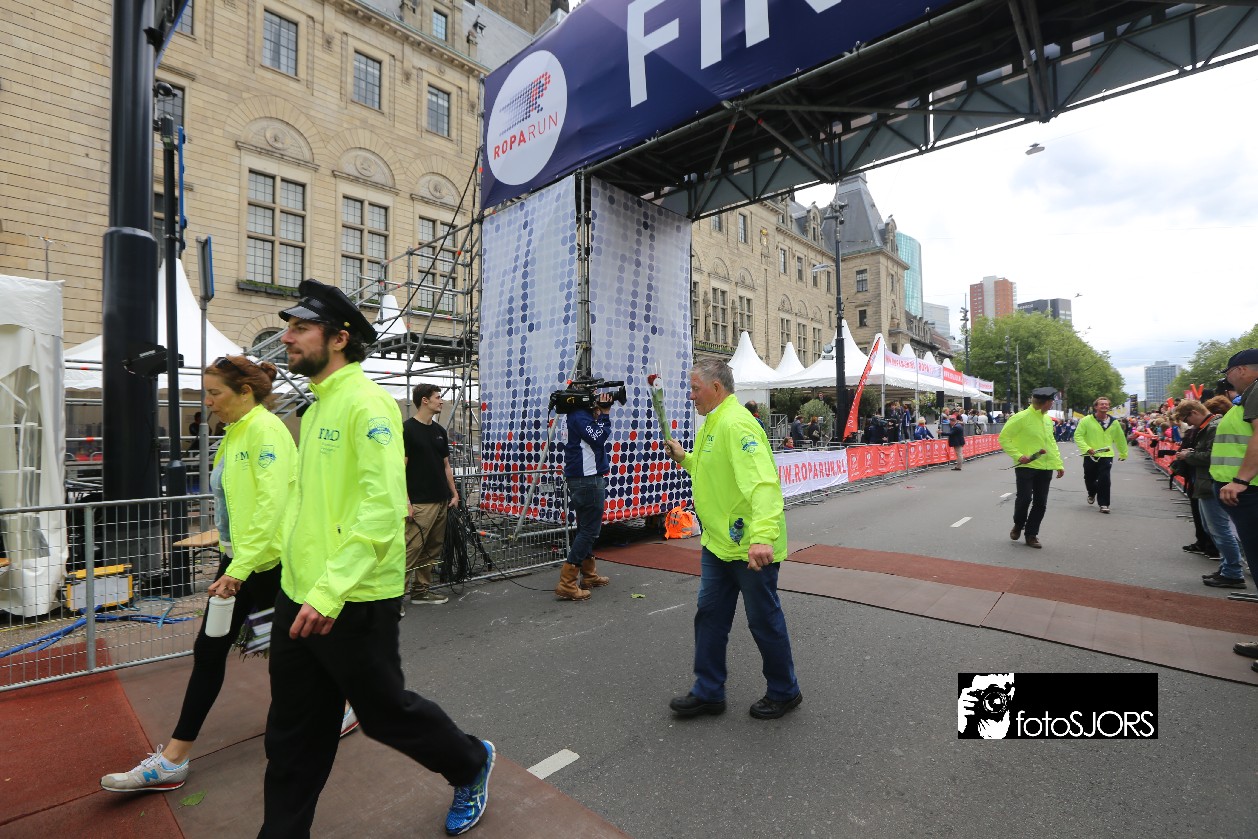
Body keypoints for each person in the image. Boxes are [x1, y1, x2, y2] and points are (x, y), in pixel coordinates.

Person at [262, 280, 493, 837]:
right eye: (290, 327)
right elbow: (311, 507)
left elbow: (383, 509)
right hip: (300, 596)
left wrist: (329, 590)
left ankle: (470, 762)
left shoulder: (368, 405)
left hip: (354, 598)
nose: (287, 337)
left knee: (385, 715)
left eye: (301, 328)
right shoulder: (317, 407)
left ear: (339, 339)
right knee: (291, 736)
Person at [101, 356, 298, 793]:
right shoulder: (236, 431)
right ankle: (174, 758)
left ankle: (335, 706)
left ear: (245, 391)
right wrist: (228, 554)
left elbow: (272, 507)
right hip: (241, 563)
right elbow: (238, 504)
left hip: (267, 567)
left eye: (214, 393)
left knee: (283, 650)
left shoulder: (266, 431)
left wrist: (237, 569)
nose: (207, 402)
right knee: (215, 651)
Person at [663, 358, 801, 721]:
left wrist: (762, 537)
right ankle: (708, 691)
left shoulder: (737, 423)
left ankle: (785, 691)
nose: (691, 395)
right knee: (709, 616)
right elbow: (710, 470)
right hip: (718, 545)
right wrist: (685, 458)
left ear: (716, 388)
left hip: (749, 547)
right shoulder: (713, 421)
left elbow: (763, 483)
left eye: (695, 388)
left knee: (763, 621)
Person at [1210, 349, 1258, 673]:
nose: (1227, 380)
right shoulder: (1248, 395)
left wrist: (1241, 480)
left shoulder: (1256, 390)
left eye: (1228, 373)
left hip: (1251, 492)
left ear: (1240, 370)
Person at [1172, 399, 1245, 589]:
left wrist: (1189, 455)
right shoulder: (1211, 426)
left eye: (1186, 419)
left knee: (1220, 529)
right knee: (1214, 528)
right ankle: (1228, 568)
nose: (1188, 424)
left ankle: (1233, 571)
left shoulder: (1213, 427)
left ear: (1194, 412)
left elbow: (1212, 456)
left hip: (1213, 481)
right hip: (1210, 481)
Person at [403, 383, 460, 608]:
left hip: (441, 500)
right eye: (438, 397)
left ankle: (421, 592)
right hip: (419, 503)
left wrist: (454, 493)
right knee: (411, 549)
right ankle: (393, 599)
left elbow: (446, 466)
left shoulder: (439, 431)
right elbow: (400, 469)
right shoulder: (407, 430)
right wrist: (406, 502)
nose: (441, 400)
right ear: (424, 400)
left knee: (432, 549)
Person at [557, 385, 614, 601]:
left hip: (582, 478)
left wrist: (597, 415)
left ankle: (589, 575)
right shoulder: (580, 416)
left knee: (585, 528)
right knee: (589, 530)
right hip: (587, 478)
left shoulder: (575, 415)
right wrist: (605, 415)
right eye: (593, 394)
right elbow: (598, 438)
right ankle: (567, 583)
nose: (596, 397)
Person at [999, 387, 1065, 549]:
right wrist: (1018, 455)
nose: (1052, 405)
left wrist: (1058, 464)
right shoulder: (1020, 417)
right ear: (1046, 403)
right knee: (1025, 498)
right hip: (1026, 466)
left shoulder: (1047, 420)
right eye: (1051, 402)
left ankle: (1031, 534)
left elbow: (1051, 444)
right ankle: (1018, 524)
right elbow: (1004, 438)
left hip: (1045, 467)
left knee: (1041, 502)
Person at [1075, 396, 1129, 513]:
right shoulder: (1086, 420)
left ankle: (1104, 504)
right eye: (1102, 404)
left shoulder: (1114, 422)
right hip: (1090, 455)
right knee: (1089, 478)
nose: (1104, 406)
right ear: (1096, 407)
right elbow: (1078, 436)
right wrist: (1087, 448)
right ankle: (1092, 492)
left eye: (1106, 404)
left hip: (1106, 455)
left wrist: (1123, 453)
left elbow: (1120, 438)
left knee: (1105, 479)